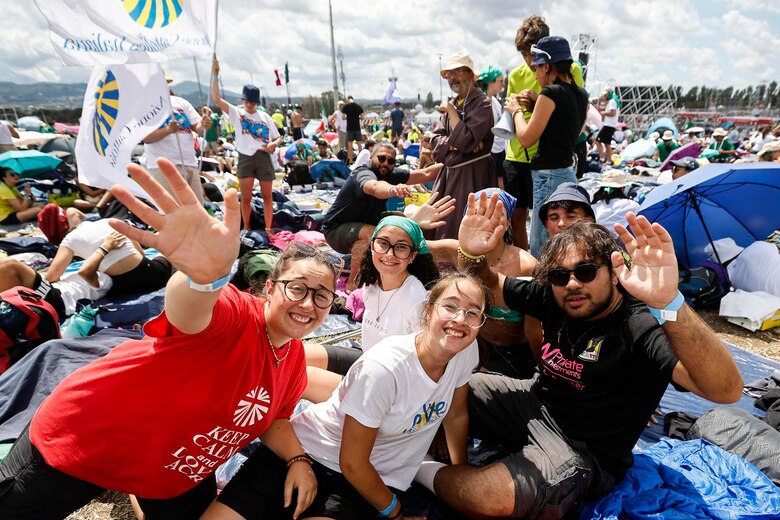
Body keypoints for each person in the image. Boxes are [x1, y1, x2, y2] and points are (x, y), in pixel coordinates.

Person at [0, 159, 340, 519]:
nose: (308, 304)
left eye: (321, 295)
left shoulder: (293, 359)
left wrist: (297, 459)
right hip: (84, 441)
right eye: (297, 288)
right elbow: (188, 311)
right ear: (269, 289)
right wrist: (203, 279)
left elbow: (273, 418)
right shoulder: (236, 315)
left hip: (170, 473)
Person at [419, 192, 743, 518]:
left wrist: (670, 304)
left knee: (492, 498)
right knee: (439, 383)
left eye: (586, 271)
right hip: (534, 402)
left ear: (614, 272)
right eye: (560, 275)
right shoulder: (554, 296)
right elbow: (489, 284)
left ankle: (419, 469)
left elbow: (726, 390)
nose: (572, 283)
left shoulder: (640, 324)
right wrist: (472, 253)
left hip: (582, 448)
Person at [204, 272, 489, 520]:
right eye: (450, 306)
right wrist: (396, 513)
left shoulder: (464, 351)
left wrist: (461, 470)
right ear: (428, 310)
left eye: (472, 312)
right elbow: (353, 462)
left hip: (361, 483)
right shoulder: (385, 369)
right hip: (308, 452)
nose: (459, 319)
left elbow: (456, 414)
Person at [305, 215, 439, 402]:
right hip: (366, 361)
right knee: (300, 354)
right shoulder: (371, 284)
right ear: (372, 245)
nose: (389, 254)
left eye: (401, 247)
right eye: (383, 243)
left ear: (412, 255)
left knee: (305, 379)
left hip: (392, 386)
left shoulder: (417, 302)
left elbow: (426, 366)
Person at [503, 16, 585, 250]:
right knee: (560, 237)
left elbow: (527, 137)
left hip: (546, 170)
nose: (533, 70)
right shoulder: (578, 93)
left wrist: (518, 110)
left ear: (546, 65)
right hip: (560, 167)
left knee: (542, 241)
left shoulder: (551, 92)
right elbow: (566, 119)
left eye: (536, 64)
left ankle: (538, 271)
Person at [322, 143, 446, 256]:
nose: (385, 163)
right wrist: (393, 189)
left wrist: (453, 161)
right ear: (371, 157)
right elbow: (374, 187)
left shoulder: (390, 174)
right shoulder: (362, 173)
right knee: (378, 234)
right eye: (381, 158)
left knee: (399, 218)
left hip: (365, 222)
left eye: (390, 161)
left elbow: (426, 173)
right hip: (336, 231)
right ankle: (357, 275)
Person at [430, 52, 497, 240]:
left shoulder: (482, 103)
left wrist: (451, 111)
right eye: (449, 74)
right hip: (448, 176)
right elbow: (435, 145)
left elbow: (466, 140)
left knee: (468, 228)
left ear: (471, 75)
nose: (453, 77)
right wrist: (457, 145)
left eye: (458, 71)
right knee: (441, 226)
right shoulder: (452, 103)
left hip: (473, 174)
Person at [212, 58, 282, 233]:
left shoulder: (265, 117)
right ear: (243, 100)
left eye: (253, 101)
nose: (249, 104)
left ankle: (268, 228)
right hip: (245, 156)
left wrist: (273, 144)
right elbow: (217, 99)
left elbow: (279, 137)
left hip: (263, 156)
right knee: (245, 197)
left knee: (267, 196)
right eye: (247, 101)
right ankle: (246, 227)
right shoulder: (237, 113)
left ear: (257, 102)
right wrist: (215, 76)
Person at [40, 208, 172, 298]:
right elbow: (141, 254)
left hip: (121, 288)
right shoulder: (110, 222)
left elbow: (52, 276)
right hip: (151, 275)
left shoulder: (69, 240)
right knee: (163, 254)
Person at [0, 231, 124, 320]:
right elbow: (52, 277)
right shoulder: (79, 267)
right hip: (50, 292)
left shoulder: (105, 279)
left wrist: (105, 247)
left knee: (9, 265)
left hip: (58, 301)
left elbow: (85, 272)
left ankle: (7, 313)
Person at [142, 78, 211, 203]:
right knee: (174, 210)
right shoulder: (145, 105)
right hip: (164, 168)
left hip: (190, 164)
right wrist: (168, 130)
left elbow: (198, 128)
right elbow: (146, 138)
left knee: (197, 210)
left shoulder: (181, 102)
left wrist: (204, 124)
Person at [476, 65, 508, 190]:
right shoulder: (481, 101)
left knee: (501, 182)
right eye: (500, 81)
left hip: (499, 148)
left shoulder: (494, 101)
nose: (503, 85)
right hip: (488, 151)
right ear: (490, 82)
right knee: (490, 185)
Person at [592, 170, 640, 239]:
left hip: (598, 241)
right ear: (623, 188)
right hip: (625, 241)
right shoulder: (633, 205)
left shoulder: (594, 206)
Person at [595, 87, 620, 164]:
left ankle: (602, 158)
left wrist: (603, 113)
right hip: (611, 125)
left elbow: (613, 113)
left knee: (597, 141)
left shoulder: (612, 101)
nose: (605, 97)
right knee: (607, 143)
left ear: (609, 93)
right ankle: (609, 160)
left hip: (609, 125)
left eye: (605, 95)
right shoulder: (615, 100)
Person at [342, 96, 364, 164]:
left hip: (350, 128)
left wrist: (348, 117)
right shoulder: (358, 106)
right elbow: (362, 117)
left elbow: (343, 117)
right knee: (359, 144)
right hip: (357, 128)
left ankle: (351, 160)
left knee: (350, 145)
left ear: (347, 100)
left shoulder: (346, 107)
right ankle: (361, 160)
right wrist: (357, 117)